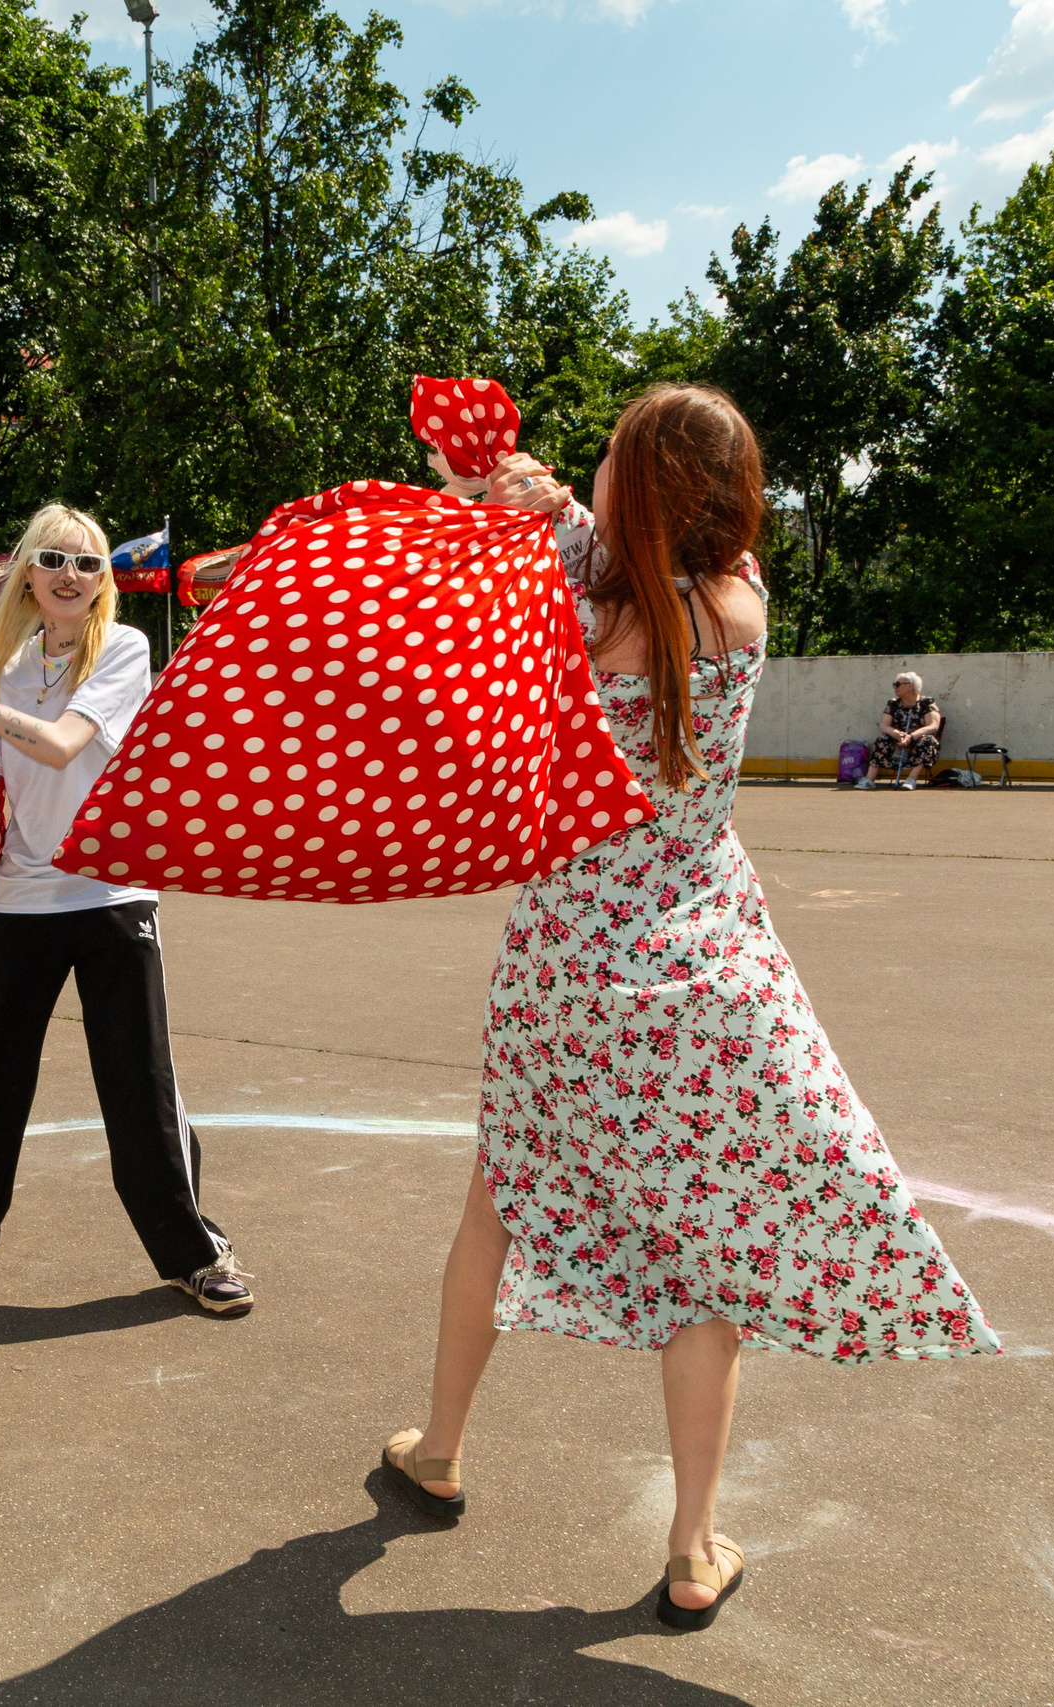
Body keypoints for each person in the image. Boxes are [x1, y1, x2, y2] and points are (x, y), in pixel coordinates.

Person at [378, 387, 996, 1628]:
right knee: (707, 1256)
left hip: (561, 964)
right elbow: (639, 544)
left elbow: (537, 561)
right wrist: (573, 498)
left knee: (496, 1201)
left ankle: (439, 1450)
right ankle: (692, 1544)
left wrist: (520, 497)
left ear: (625, 492)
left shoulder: (561, 602)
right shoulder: (744, 598)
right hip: (698, 969)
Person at [0, 503, 252, 1318]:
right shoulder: (6, 665)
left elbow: (62, 743)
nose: (72, 575)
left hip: (110, 893)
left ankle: (195, 1254)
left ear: (103, 581)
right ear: (28, 573)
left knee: (139, 1087)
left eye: (89, 563)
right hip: (20, 896)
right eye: (57, 560)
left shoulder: (124, 650)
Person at [865, 672, 942, 788]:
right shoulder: (893, 703)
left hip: (918, 739)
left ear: (910, 686)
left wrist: (912, 736)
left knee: (927, 741)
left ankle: (911, 779)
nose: (895, 687)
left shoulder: (926, 702)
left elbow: (933, 725)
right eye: (894, 684)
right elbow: (884, 725)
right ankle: (869, 780)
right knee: (882, 740)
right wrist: (896, 734)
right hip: (898, 740)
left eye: (898, 684)